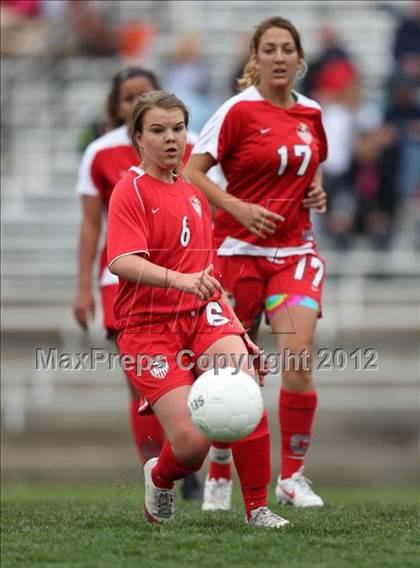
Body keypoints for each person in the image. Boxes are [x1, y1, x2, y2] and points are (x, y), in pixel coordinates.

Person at [107, 90, 289, 529]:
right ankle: (161, 476)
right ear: (138, 138)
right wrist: (178, 280)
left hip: (202, 317)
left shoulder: (192, 193)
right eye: (158, 130)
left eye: (178, 129)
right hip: (148, 328)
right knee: (190, 444)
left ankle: (256, 508)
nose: (171, 139)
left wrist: (240, 334)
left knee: (245, 387)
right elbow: (121, 261)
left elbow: (206, 275)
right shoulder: (129, 190)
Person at [185, 16, 328, 510]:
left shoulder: (312, 113)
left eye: (288, 48)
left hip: (294, 252)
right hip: (236, 254)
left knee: (297, 357)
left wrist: (316, 190)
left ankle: (292, 476)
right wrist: (237, 207)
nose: (280, 57)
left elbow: (309, 167)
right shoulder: (237, 112)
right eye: (270, 49)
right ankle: (221, 465)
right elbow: (192, 171)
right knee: (235, 372)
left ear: (300, 57)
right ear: (255, 58)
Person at [73, 67, 201, 499]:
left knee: (197, 372)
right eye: (128, 98)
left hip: (187, 279)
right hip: (123, 281)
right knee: (142, 381)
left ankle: (184, 451)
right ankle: (158, 465)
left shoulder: (190, 147)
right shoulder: (100, 154)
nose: (135, 102)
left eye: (143, 94)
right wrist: (82, 287)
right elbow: (92, 226)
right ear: (119, 108)